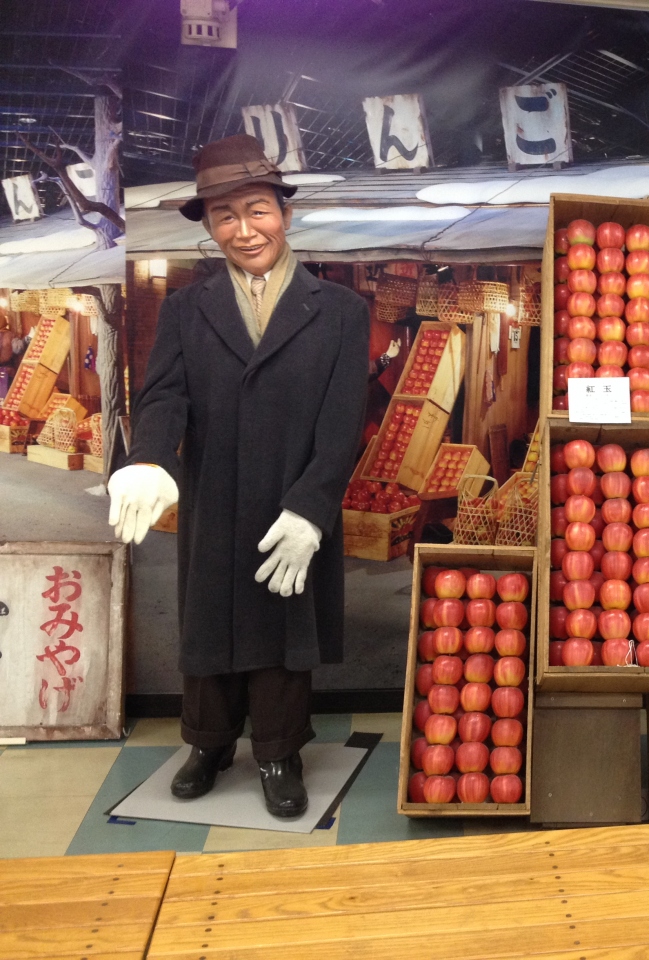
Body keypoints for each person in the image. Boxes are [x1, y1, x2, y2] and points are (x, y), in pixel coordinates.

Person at [107, 135, 369, 818]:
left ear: (285, 213)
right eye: (225, 216)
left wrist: (313, 509)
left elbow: (343, 422)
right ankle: (208, 744)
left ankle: (279, 751)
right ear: (209, 226)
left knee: (283, 626)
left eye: (258, 210)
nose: (244, 230)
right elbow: (164, 397)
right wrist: (150, 458)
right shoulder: (185, 310)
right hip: (215, 495)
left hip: (292, 497)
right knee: (209, 622)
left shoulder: (340, 311)